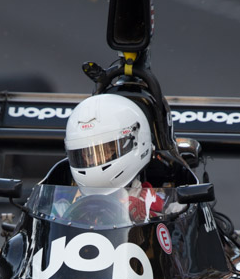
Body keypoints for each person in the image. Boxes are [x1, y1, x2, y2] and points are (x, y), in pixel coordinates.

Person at [63, 93, 165, 222]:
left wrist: (148, 218)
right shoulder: (63, 202)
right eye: (87, 154)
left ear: (135, 142)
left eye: (107, 151)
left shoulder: (161, 204)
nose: (94, 160)